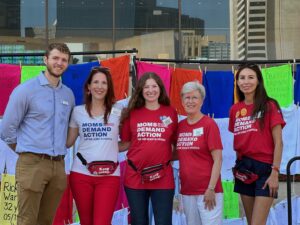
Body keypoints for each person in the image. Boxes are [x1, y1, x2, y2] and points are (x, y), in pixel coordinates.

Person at [0, 43, 75, 225]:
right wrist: (23, 151)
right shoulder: (26, 90)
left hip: (58, 166)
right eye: (55, 58)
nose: (59, 63)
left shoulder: (68, 95)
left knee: (46, 220)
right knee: (27, 220)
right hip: (32, 163)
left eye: (64, 60)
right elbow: (6, 128)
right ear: (45, 60)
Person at [229, 63, 285, 225]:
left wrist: (275, 172)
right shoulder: (235, 110)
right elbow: (240, 141)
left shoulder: (270, 105)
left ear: (259, 80)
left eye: (251, 77)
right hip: (243, 168)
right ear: (237, 82)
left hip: (265, 169)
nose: (246, 81)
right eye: (242, 78)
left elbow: (279, 142)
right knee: (250, 222)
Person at [119, 72, 178, 225]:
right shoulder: (131, 113)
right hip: (135, 176)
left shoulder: (170, 112)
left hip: (163, 176)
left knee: (164, 222)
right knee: (139, 221)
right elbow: (125, 143)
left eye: (154, 86)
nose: (150, 90)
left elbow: (176, 143)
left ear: (160, 89)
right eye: (146, 87)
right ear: (140, 90)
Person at [66, 67, 122, 225]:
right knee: (86, 222)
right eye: (96, 82)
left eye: (104, 83)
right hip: (81, 175)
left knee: (101, 222)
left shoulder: (118, 111)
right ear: (89, 87)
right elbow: (68, 142)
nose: (100, 86)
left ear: (109, 87)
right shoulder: (77, 112)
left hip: (109, 177)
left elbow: (126, 141)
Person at [175, 81, 223, 225]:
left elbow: (218, 159)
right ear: (182, 101)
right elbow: (176, 155)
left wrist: (211, 188)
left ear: (202, 101)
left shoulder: (209, 124)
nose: (190, 101)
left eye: (194, 98)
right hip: (187, 191)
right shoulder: (180, 126)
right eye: (187, 98)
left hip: (208, 191)